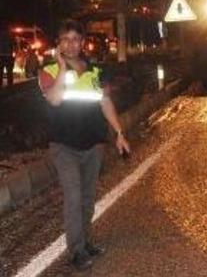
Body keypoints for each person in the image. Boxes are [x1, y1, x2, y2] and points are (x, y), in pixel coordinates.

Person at [38, 19, 131, 271]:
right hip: (64, 146)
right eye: (65, 39)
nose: (71, 44)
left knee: (88, 199)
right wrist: (61, 67)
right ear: (58, 43)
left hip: (93, 145)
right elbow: (55, 100)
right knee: (73, 197)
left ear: (82, 42)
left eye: (75, 39)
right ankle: (77, 250)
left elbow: (105, 103)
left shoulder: (95, 71)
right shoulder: (48, 71)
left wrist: (119, 132)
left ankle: (86, 242)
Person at [0, 21, 14, 86]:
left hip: (1, 55)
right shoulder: (10, 35)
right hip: (8, 56)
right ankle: (10, 86)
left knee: (0, 72)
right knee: (9, 72)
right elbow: (12, 46)